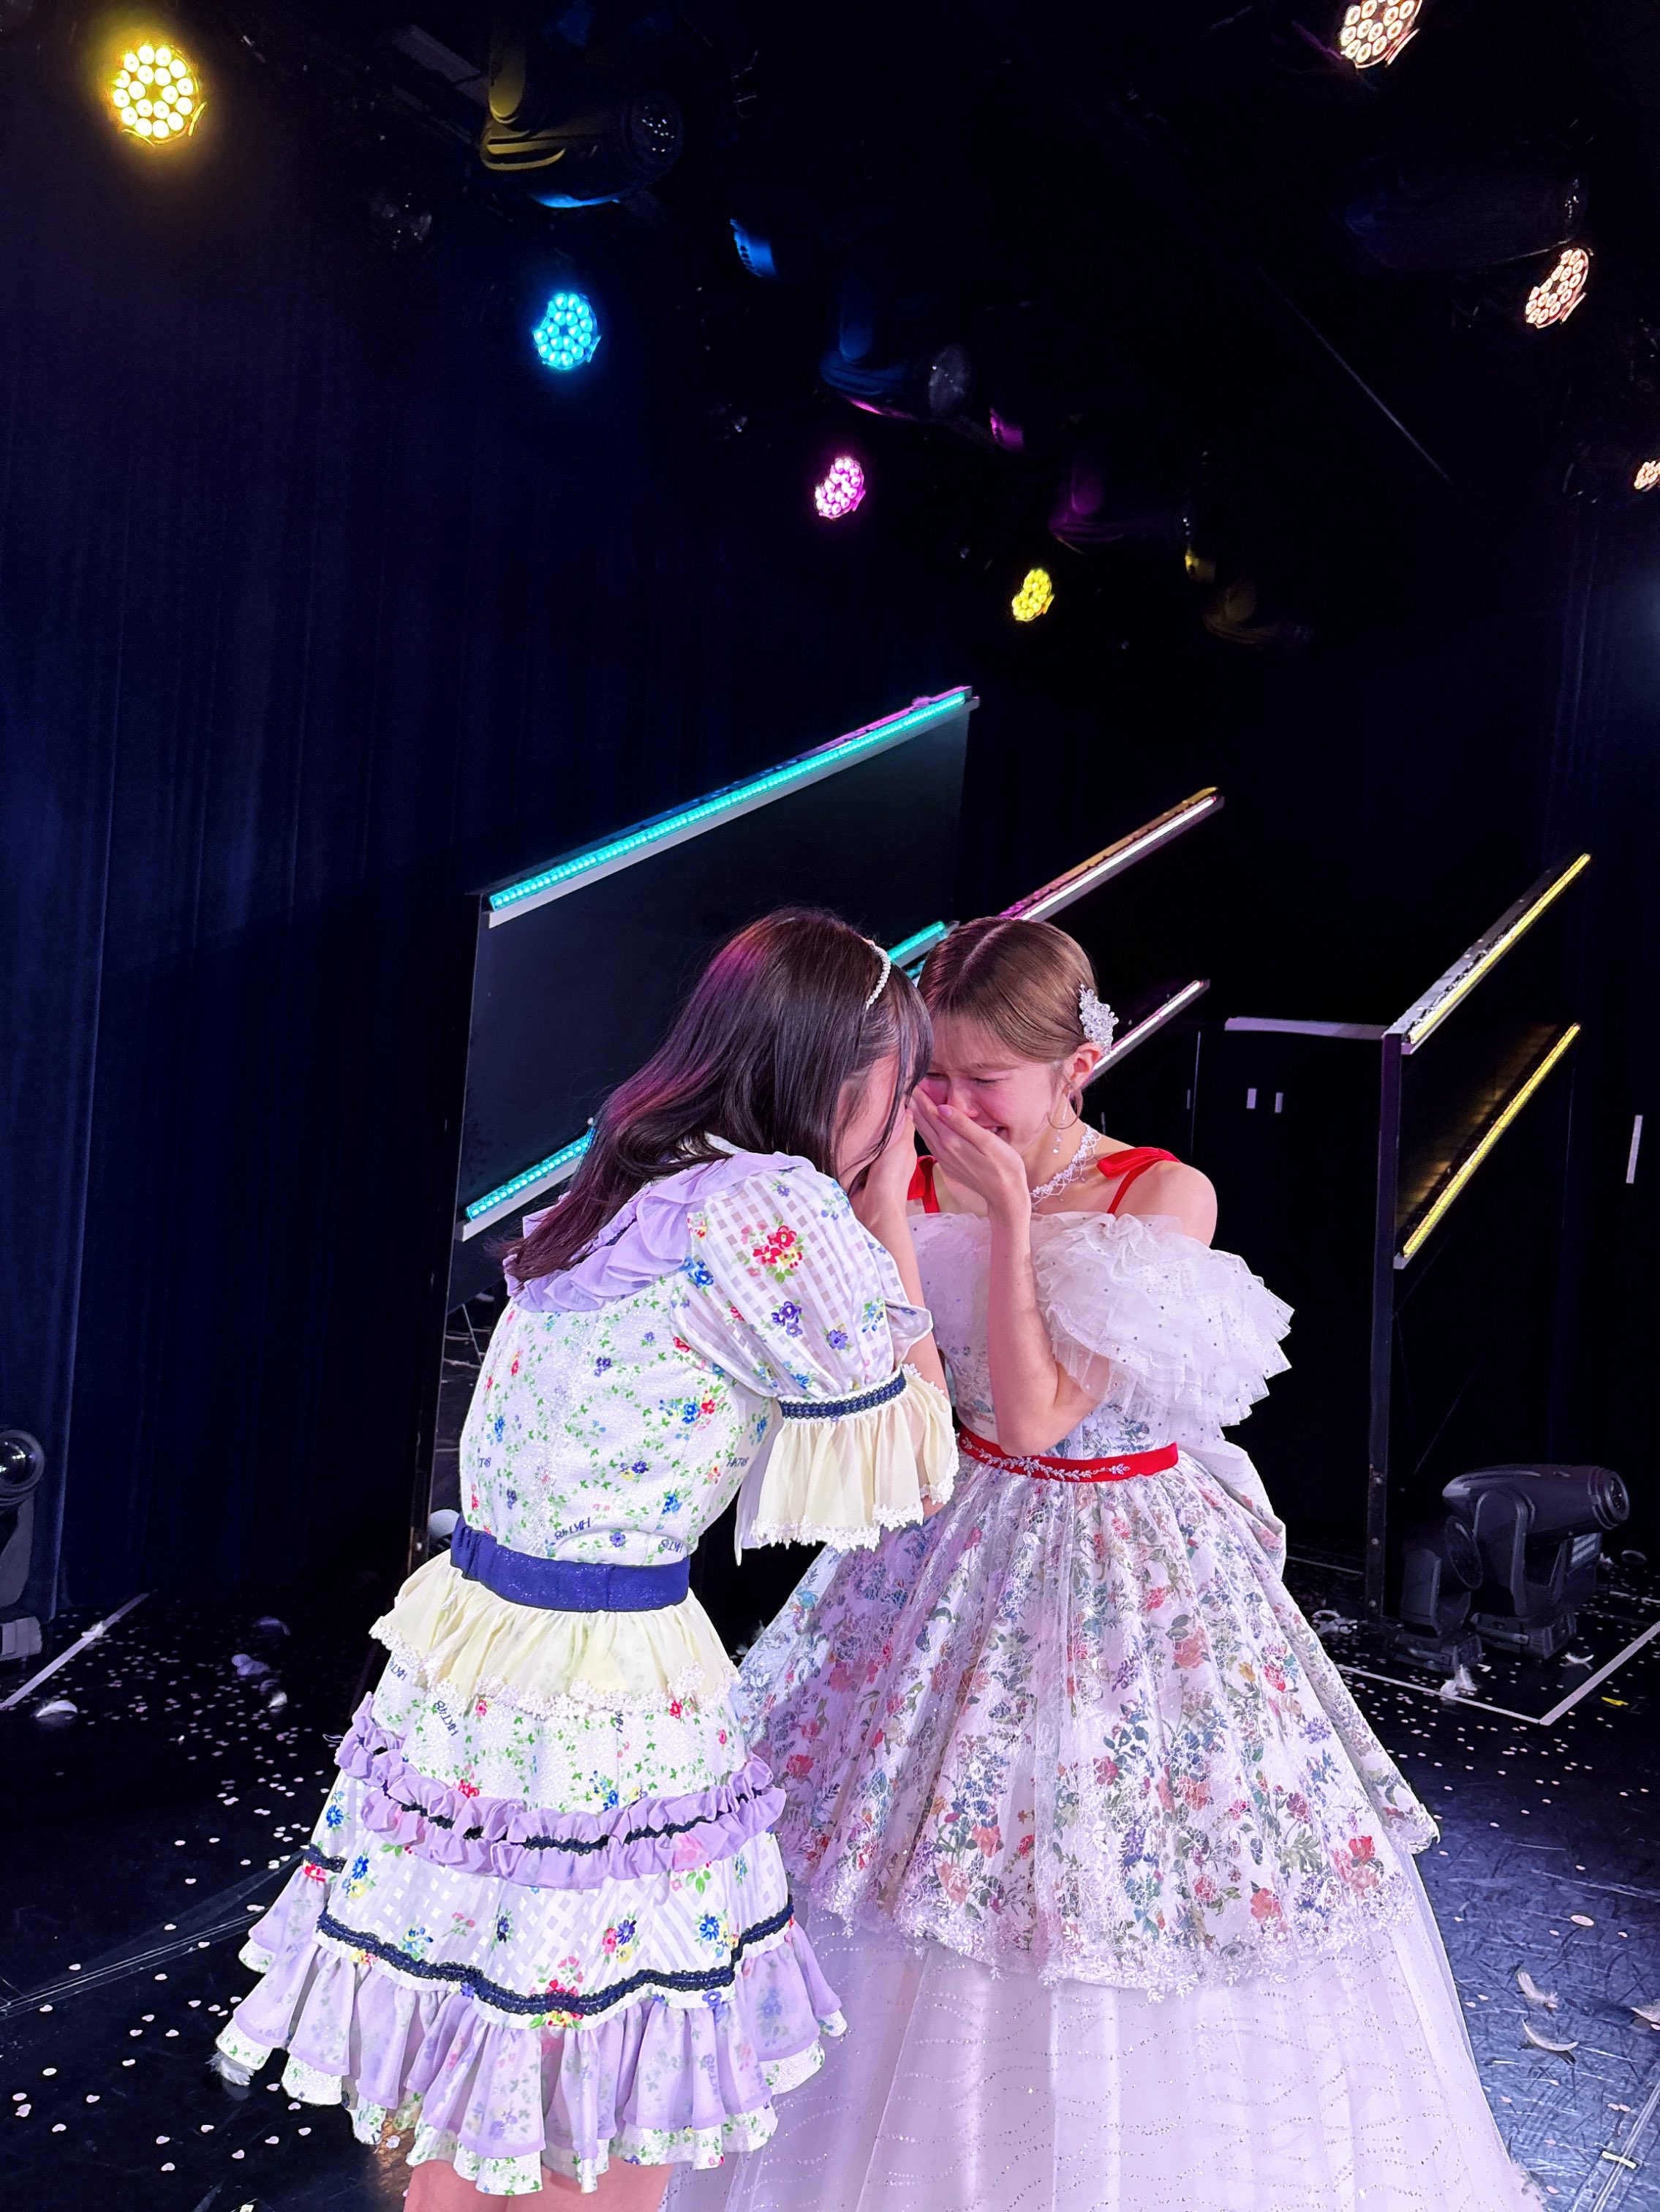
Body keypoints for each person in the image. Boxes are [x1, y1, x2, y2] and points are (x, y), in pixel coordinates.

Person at [679, 916, 1540, 2212]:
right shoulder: (904, 1175)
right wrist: (887, 1205)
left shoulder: (1157, 1192)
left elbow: (1034, 1413)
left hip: (1124, 1558)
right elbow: (915, 1405)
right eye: (929, 1074)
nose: (948, 1106)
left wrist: (1011, 1219)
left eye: (983, 1079)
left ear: (1075, 1067)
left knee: (1115, 1857)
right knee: (895, 1850)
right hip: (947, 1543)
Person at [212, 908, 959, 2204]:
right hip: (602, 1679)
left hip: (480, 1650)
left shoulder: (632, 1173)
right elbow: (912, 1447)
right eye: (901, 1084)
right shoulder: (772, 1202)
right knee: (597, 2078)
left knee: (485, 2046)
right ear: (848, 1077)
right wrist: (883, 1202)